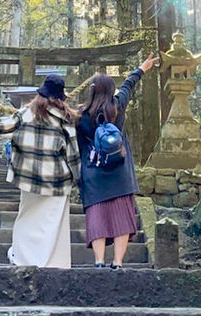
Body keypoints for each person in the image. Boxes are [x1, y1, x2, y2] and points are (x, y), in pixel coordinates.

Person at [0, 74, 81, 268]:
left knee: (27, 220)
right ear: (61, 98)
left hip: (29, 179)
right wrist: (79, 178)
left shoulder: (27, 113)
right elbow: (72, 153)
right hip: (57, 182)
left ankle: (22, 259)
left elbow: (4, 124)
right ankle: (53, 263)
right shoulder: (66, 119)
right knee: (53, 225)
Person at [76, 53, 159, 269]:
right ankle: (118, 262)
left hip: (94, 173)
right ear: (111, 90)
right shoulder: (118, 106)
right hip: (120, 170)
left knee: (97, 217)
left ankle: (99, 261)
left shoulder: (81, 116)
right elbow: (129, 85)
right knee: (122, 216)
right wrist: (142, 67)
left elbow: (76, 145)